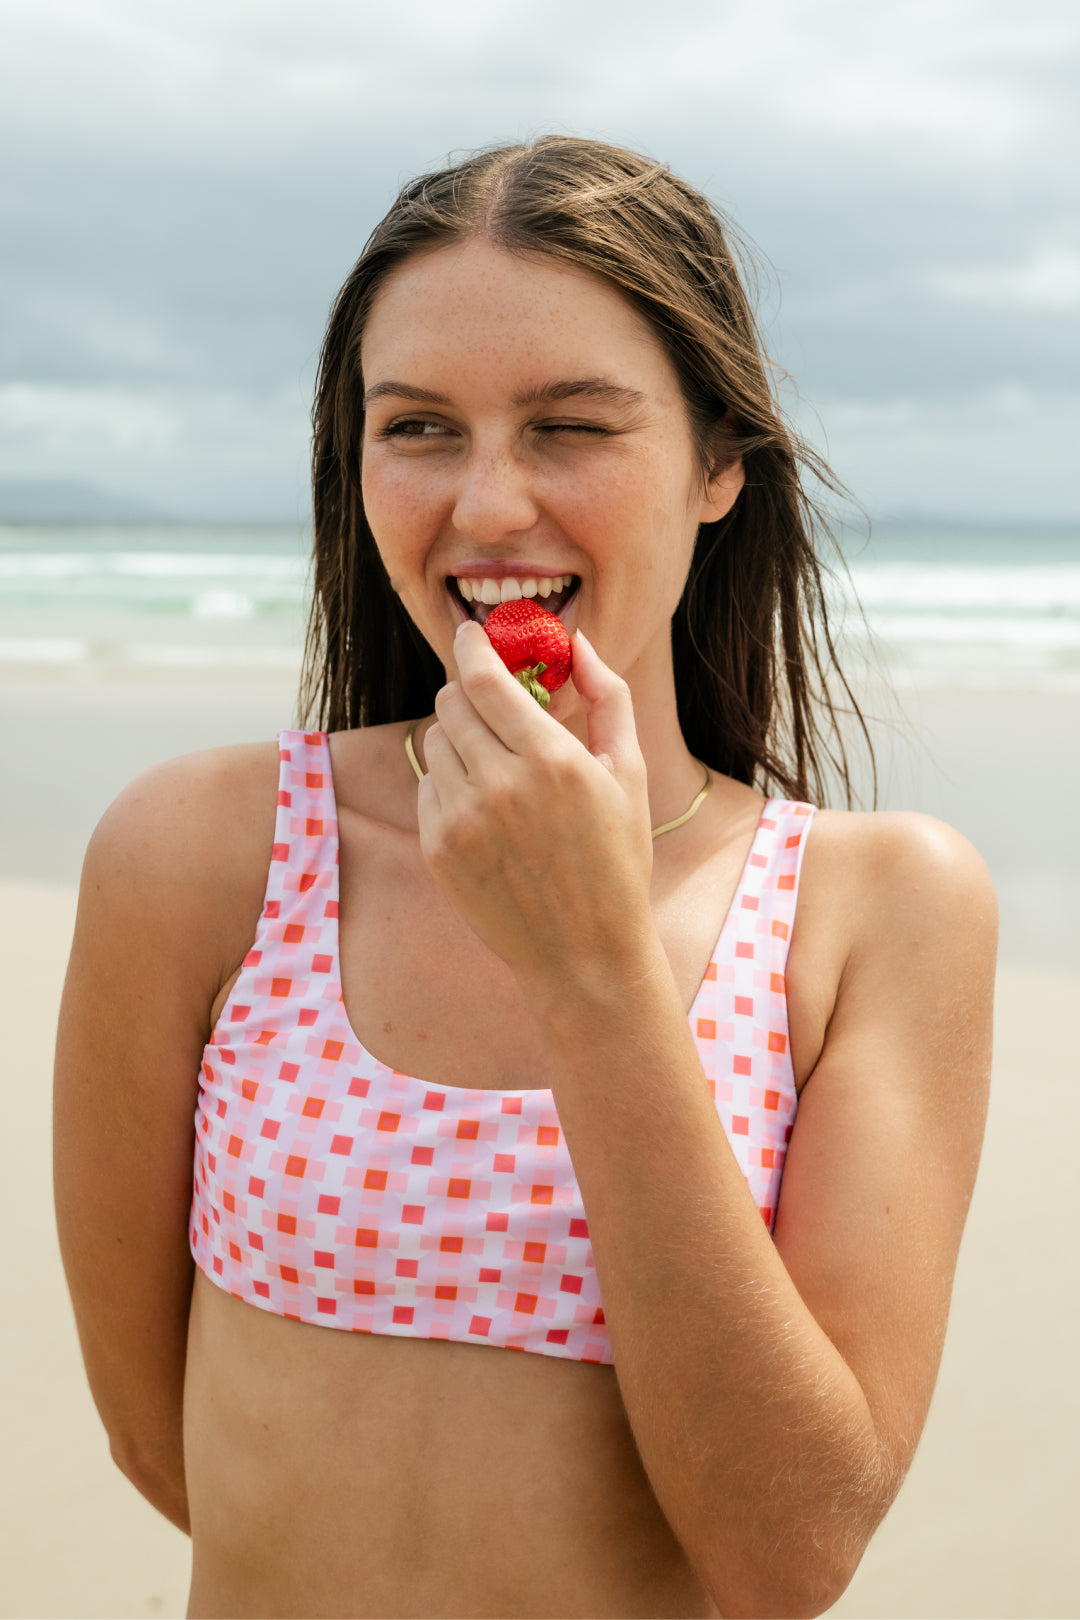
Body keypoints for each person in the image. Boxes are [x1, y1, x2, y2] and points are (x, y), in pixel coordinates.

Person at [53, 136, 997, 1619]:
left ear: (718, 469)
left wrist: (594, 971)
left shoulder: (875, 910)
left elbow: (788, 1556)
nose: (488, 510)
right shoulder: (198, 856)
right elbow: (157, 1441)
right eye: (419, 428)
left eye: (571, 427)